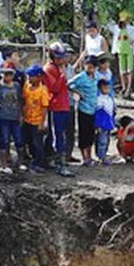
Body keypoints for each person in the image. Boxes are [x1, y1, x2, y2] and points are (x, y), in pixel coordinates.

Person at [43, 42, 75, 176]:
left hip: (63, 104)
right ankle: (59, 164)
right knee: (57, 135)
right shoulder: (49, 69)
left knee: (60, 133)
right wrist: (62, 75)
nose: (62, 60)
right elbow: (54, 88)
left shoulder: (58, 68)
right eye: (59, 57)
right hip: (55, 106)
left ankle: (52, 160)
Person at [0, 67, 24, 173]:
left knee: (18, 139)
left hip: (15, 116)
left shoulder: (16, 86)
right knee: (4, 140)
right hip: (3, 117)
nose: (8, 77)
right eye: (6, 74)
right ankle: (4, 164)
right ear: (2, 75)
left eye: (10, 74)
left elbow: (20, 100)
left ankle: (20, 162)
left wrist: (20, 115)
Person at [69, 55, 99, 167]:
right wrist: (78, 93)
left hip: (93, 108)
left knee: (91, 134)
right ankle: (85, 158)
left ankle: (89, 156)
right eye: (88, 66)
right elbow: (68, 84)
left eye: (92, 67)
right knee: (84, 134)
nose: (90, 69)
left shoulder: (95, 77)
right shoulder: (81, 77)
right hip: (83, 109)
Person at [21, 65, 49, 173]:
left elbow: (44, 107)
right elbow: (23, 100)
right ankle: (33, 160)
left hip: (37, 120)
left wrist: (42, 123)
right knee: (29, 141)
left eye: (32, 76)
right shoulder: (27, 86)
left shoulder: (43, 91)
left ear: (39, 77)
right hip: (27, 119)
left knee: (38, 143)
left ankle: (40, 163)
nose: (29, 78)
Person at [107, 13, 134, 95]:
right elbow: (107, 25)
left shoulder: (131, 29)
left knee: (129, 70)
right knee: (122, 70)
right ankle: (124, 87)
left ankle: (129, 87)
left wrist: (133, 41)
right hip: (120, 51)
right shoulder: (116, 28)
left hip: (129, 51)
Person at [95, 79, 115, 166]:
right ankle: (101, 157)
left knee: (107, 140)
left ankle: (104, 154)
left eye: (108, 87)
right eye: (105, 88)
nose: (107, 89)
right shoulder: (99, 100)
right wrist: (98, 125)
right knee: (102, 140)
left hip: (108, 123)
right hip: (102, 124)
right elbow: (98, 113)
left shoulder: (110, 98)